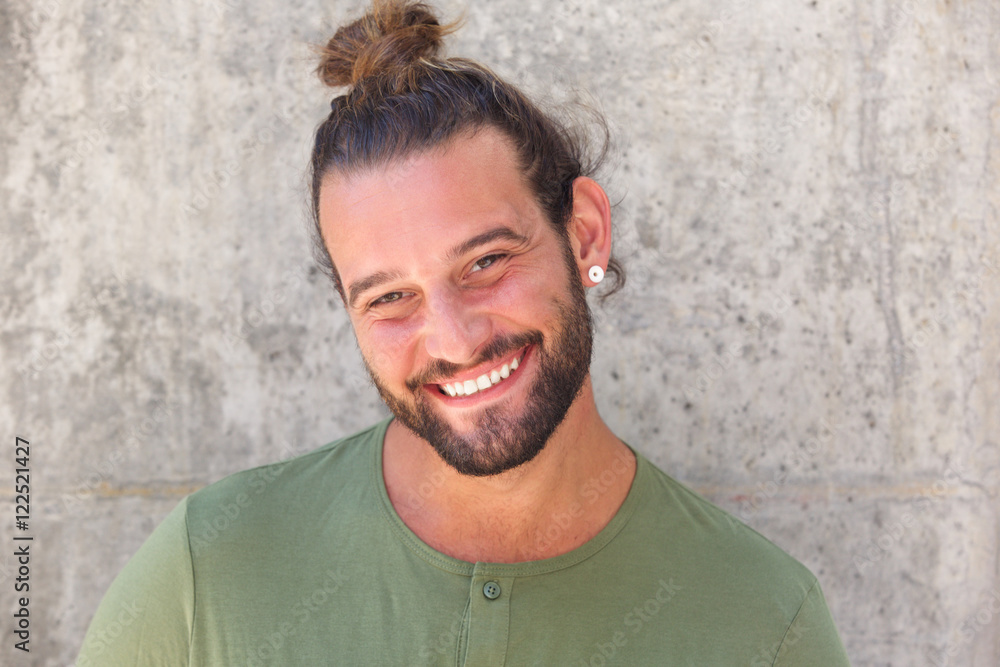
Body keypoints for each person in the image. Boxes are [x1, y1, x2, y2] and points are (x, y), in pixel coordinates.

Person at [78, 1, 851, 664]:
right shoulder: (206, 569)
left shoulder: (764, 620)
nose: (451, 338)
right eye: (389, 298)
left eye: (485, 261)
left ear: (583, 234)